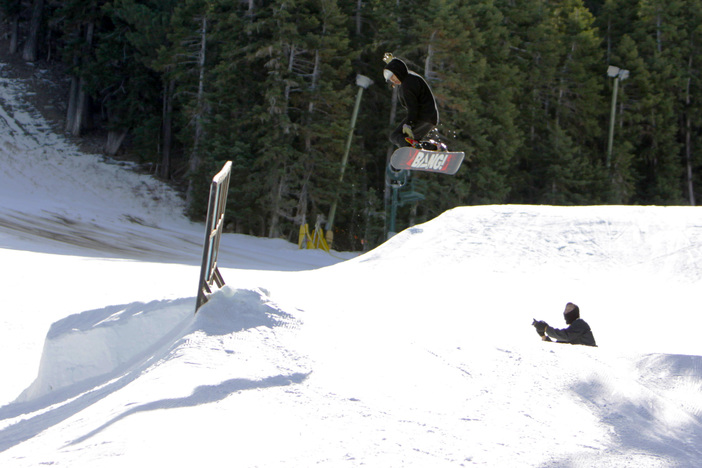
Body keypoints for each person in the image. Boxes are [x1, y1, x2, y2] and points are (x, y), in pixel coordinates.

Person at [383, 53, 439, 148]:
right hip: (430, 117)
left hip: (422, 116)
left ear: (398, 72)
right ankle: (433, 148)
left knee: (396, 136)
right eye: (390, 79)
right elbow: (401, 68)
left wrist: (408, 124)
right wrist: (393, 62)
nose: (393, 80)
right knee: (413, 140)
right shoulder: (410, 77)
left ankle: (409, 149)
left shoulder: (407, 84)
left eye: (393, 76)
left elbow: (413, 107)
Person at [532, 302, 597, 347]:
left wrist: (546, 328)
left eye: (569, 309)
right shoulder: (572, 331)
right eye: (566, 310)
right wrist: (543, 336)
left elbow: (565, 336)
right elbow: (559, 346)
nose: (567, 312)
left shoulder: (580, 323)